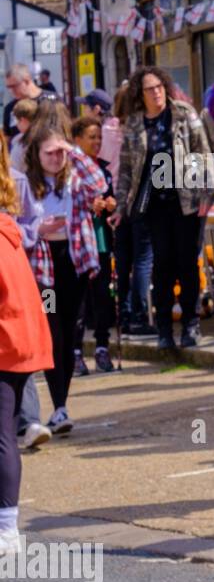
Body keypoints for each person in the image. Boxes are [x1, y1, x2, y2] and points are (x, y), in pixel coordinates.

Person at [112, 66, 214, 351]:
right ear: (140, 93)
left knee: (187, 263)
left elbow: (202, 153)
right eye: (149, 89)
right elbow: (127, 169)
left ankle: (191, 324)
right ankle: (165, 329)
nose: (156, 92)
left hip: (186, 202)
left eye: (159, 86)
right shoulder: (134, 123)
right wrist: (121, 206)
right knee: (162, 266)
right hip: (152, 204)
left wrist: (207, 192)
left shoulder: (183, 113)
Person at [22, 119, 108, 436]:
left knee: (71, 334)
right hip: (44, 268)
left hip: (73, 264)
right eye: (50, 153)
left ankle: (61, 408)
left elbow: (99, 184)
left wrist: (72, 149)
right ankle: (56, 404)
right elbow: (17, 222)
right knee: (52, 331)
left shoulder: (74, 180)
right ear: (36, 154)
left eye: (60, 153)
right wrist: (37, 230)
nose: (56, 159)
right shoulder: (27, 185)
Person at [0, 157, 54, 554]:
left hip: (6, 344)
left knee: (2, 437)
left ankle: (7, 531)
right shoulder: (9, 230)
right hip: (19, 341)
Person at [69, 116, 116, 376]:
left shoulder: (104, 169)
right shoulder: (71, 169)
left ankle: (102, 346)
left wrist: (111, 205)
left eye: (99, 137)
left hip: (100, 240)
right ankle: (75, 351)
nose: (97, 142)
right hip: (78, 242)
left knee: (102, 297)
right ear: (77, 139)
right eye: (91, 137)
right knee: (80, 301)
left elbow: (111, 197)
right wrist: (90, 205)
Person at [106, 84, 152, 336]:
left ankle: (122, 313)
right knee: (142, 259)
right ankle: (138, 314)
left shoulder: (108, 129)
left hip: (113, 199)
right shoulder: (139, 130)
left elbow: (104, 164)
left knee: (123, 261)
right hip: (136, 198)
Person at [3, 64, 56, 139]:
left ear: (27, 80)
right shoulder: (10, 108)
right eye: (9, 87)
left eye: (14, 86)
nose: (11, 91)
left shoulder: (51, 100)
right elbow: (7, 137)